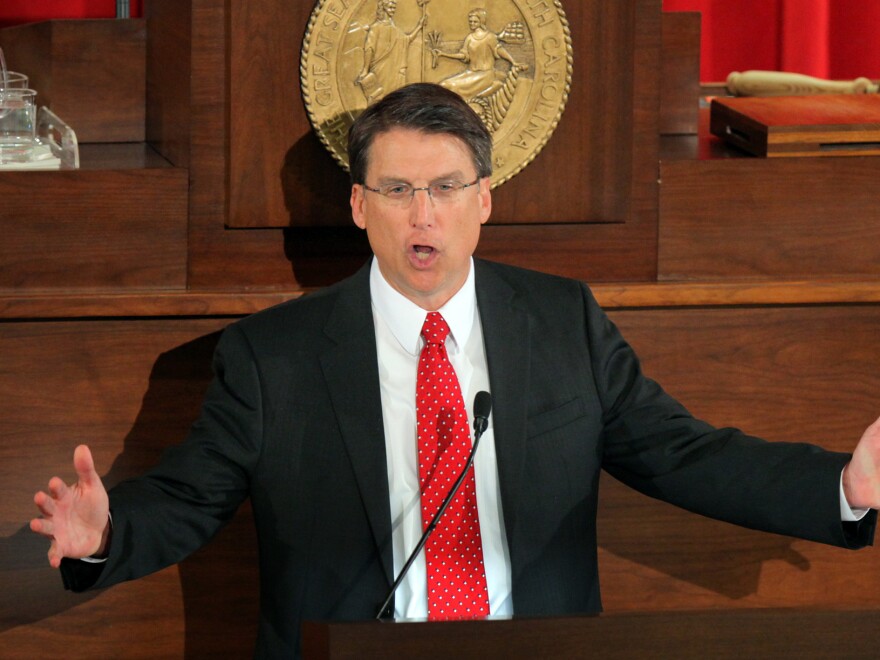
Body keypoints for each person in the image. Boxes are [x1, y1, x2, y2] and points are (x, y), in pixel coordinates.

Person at [31, 83, 880, 658]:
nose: (422, 215)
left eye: (444, 187)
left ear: (485, 198)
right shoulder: (274, 357)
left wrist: (844, 484)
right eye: (397, 191)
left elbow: (684, 454)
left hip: (532, 648)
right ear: (360, 206)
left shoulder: (562, 324)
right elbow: (187, 498)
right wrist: (105, 534)